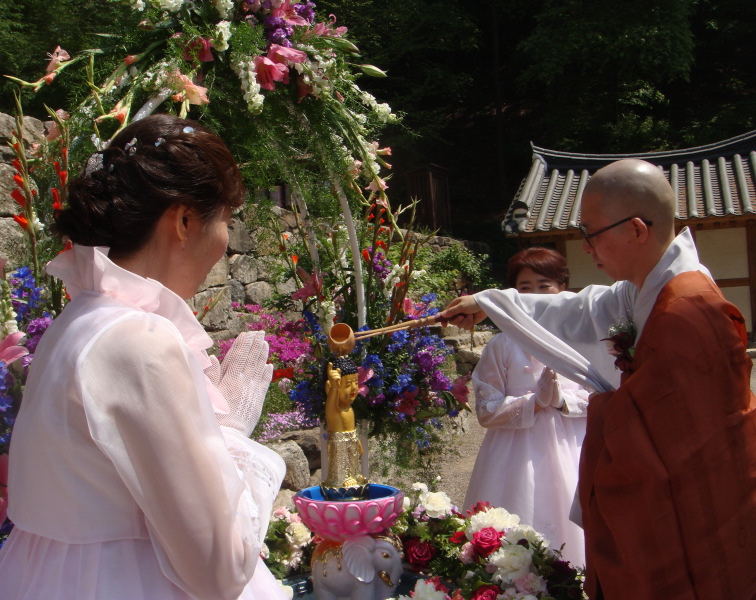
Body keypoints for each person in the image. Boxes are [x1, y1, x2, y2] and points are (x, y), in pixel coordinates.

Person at [0, 115, 288, 600]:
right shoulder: (139, 339)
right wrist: (230, 433)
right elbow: (219, 568)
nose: (225, 241)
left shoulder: (77, 318)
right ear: (184, 222)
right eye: (226, 221)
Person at [441, 159, 756, 600]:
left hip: (694, 501)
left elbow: (678, 434)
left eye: (591, 233)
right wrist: (491, 304)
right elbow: (582, 311)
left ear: (637, 230)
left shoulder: (689, 308)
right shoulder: (646, 288)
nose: (586, 248)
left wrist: (595, 403)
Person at [462, 248, 588, 567]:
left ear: (562, 288)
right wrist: (535, 402)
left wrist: (561, 400)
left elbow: (600, 395)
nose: (535, 295)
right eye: (525, 288)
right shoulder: (502, 344)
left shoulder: (581, 340)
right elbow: (487, 410)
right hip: (512, 453)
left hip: (572, 446)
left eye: (545, 286)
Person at [321, 356, 368, 497]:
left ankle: (353, 474)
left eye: (355, 383)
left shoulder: (349, 408)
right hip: (339, 445)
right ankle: (341, 478)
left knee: (354, 460)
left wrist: (357, 442)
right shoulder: (335, 410)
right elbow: (330, 406)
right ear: (329, 387)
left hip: (351, 442)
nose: (353, 388)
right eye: (347, 384)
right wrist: (335, 387)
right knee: (339, 459)